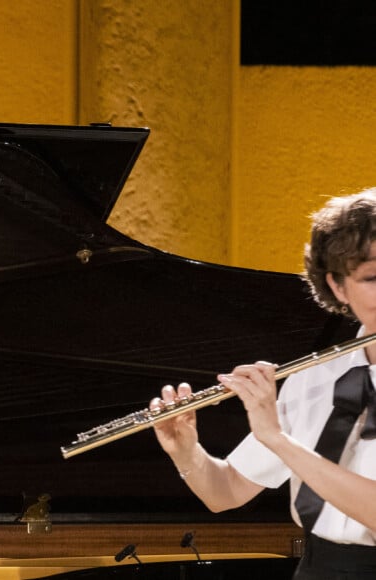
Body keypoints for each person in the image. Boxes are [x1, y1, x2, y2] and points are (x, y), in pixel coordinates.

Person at [151, 188, 376, 579]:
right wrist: (187, 452)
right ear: (338, 286)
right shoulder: (314, 376)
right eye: (373, 277)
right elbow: (226, 493)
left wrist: (277, 439)